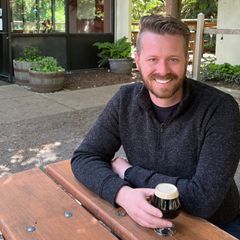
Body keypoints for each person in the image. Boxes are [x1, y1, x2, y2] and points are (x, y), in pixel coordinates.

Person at [71, 14, 240, 238]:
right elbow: (84, 157)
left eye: (173, 59)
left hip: (215, 225)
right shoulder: (125, 100)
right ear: (137, 59)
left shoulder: (220, 109)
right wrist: (122, 193)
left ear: (186, 59)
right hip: (142, 217)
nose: (163, 70)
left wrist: (128, 172)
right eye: (152, 59)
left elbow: (203, 199)